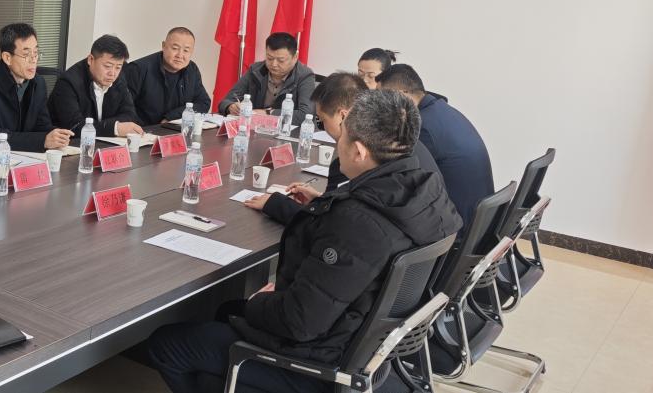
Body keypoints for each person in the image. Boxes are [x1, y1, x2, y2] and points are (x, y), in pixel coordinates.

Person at [147, 90, 462, 393]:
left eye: (341, 137)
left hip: (319, 364)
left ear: (359, 151)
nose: (337, 145)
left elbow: (299, 322)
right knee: (228, 309)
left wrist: (259, 300)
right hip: (363, 349)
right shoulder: (426, 193)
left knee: (168, 345)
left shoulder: (359, 221)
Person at [242, 72, 442, 225]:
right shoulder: (397, 139)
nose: (322, 127)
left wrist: (276, 204)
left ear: (343, 116)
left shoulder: (362, 157)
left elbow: (330, 225)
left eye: (321, 121)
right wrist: (322, 200)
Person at [377, 64, 493, 230]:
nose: (380, 105)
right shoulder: (442, 109)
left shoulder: (422, 126)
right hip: (480, 220)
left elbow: (407, 181)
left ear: (402, 95)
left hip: (458, 226)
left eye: (383, 98)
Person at [0, 23, 74, 155]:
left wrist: (56, 136)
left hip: (19, 155)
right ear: (7, 58)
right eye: (26, 55)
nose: (33, 60)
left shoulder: (38, 83)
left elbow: (42, 125)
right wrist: (43, 140)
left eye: (36, 53)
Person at [48, 34, 146, 136]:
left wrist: (105, 127)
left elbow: (129, 115)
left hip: (102, 142)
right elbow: (74, 126)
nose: (112, 73)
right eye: (107, 66)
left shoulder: (118, 78)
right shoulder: (68, 82)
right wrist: (114, 128)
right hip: (71, 143)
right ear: (90, 60)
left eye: (118, 67)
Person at [217, 32, 316, 123]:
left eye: (281, 60)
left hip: (290, 133)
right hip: (257, 130)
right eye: (269, 58)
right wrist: (230, 107)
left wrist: (269, 113)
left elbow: (306, 114)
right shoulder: (255, 70)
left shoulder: (305, 76)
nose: (274, 64)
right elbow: (225, 101)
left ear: (295, 57)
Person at [125, 27, 212, 125]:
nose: (180, 55)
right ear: (163, 46)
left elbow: (203, 103)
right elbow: (123, 108)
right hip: (142, 130)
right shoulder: (138, 69)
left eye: (186, 50)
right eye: (175, 48)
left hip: (174, 129)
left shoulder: (192, 69)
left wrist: (171, 117)